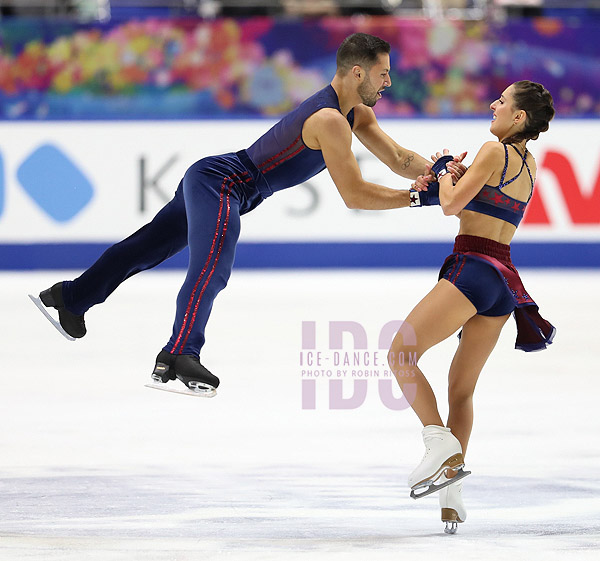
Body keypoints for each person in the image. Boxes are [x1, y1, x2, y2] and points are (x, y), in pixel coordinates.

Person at [35, 33, 463, 396]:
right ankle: (179, 354)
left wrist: (440, 172)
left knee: (144, 248)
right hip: (222, 184)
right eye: (383, 73)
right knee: (212, 264)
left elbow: (399, 157)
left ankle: (70, 297)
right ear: (357, 72)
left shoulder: (356, 114)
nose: (388, 81)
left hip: (220, 180)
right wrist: (419, 199)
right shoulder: (330, 119)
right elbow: (354, 194)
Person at [387, 80, 555, 533]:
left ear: (518, 117)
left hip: (473, 267)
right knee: (460, 390)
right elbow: (486, 206)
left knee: (400, 353)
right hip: (504, 281)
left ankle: (438, 444)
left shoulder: (491, 148)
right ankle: (452, 495)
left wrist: (444, 172)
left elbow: (451, 207)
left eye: (501, 101)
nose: (493, 104)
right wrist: (458, 180)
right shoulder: (530, 163)